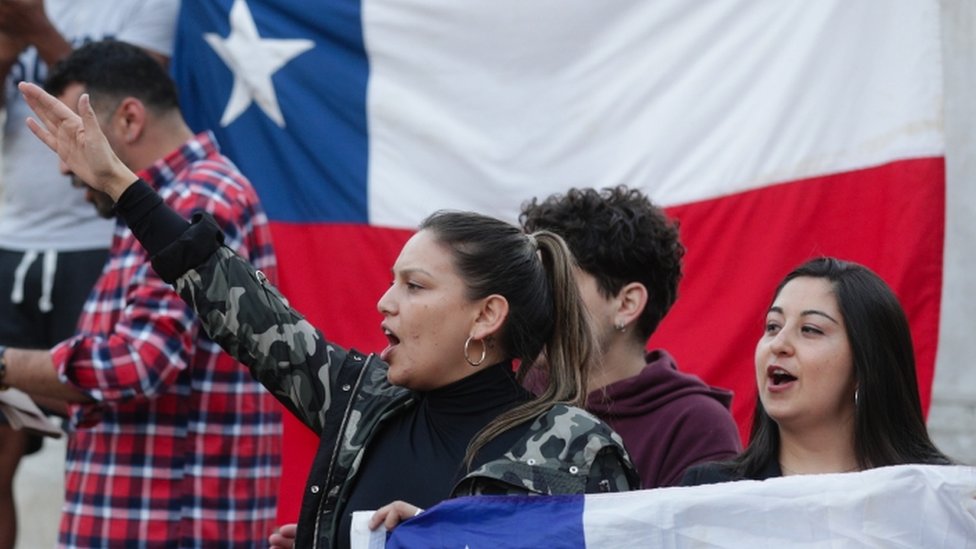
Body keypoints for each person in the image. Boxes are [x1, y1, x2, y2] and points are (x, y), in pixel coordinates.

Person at [18, 77, 641, 549]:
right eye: (391, 283)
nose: (385, 303)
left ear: (486, 316)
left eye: (415, 287)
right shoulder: (361, 399)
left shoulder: (575, 448)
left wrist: (433, 537)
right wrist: (120, 183)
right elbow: (243, 307)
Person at [0, 41, 282, 547]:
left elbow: (136, 365)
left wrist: (4, 366)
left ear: (129, 119)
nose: (64, 166)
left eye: (71, 134)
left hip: (169, 526)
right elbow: (129, 384)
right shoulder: (157, 206)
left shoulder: (197, 200)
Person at [0, 2, 178, 547]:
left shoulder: (152, 4)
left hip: (104, 240)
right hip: (12, 238)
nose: (61, 161)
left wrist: (39, 31)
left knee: (104, 431)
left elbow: (131, 97)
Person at [519, 186, 742, 488]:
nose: (533, 301)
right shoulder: (509, 397)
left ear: (626, 304)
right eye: (532, 283)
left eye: (555, 283)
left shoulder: (694, 427)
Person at [681, 257, 952, 485]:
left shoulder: (942, 496)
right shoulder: (708, 489)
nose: (779, 344)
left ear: (863, 366)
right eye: (773, 326)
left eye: (810, 329)